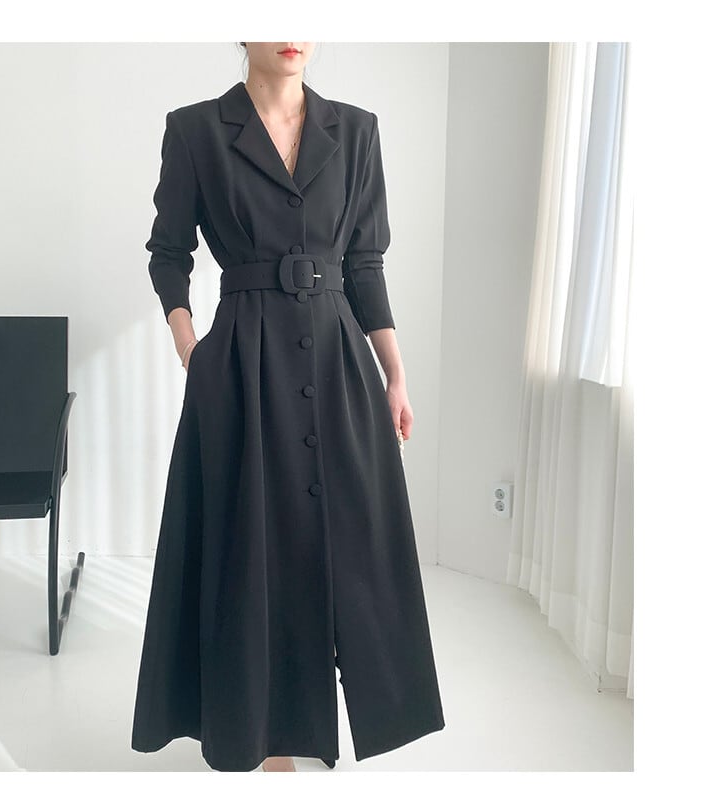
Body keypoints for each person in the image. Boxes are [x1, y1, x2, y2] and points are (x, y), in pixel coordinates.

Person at [131, 42, 445, 773]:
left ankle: (337, 718)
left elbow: (365, 262)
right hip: (243, 364)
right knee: (256, 548)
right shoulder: (196, 130)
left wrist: (395, 373)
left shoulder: (356, 131)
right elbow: (168, 252)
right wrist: (192, 347)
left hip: (339, 360)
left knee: (355, 543)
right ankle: (269, 739)